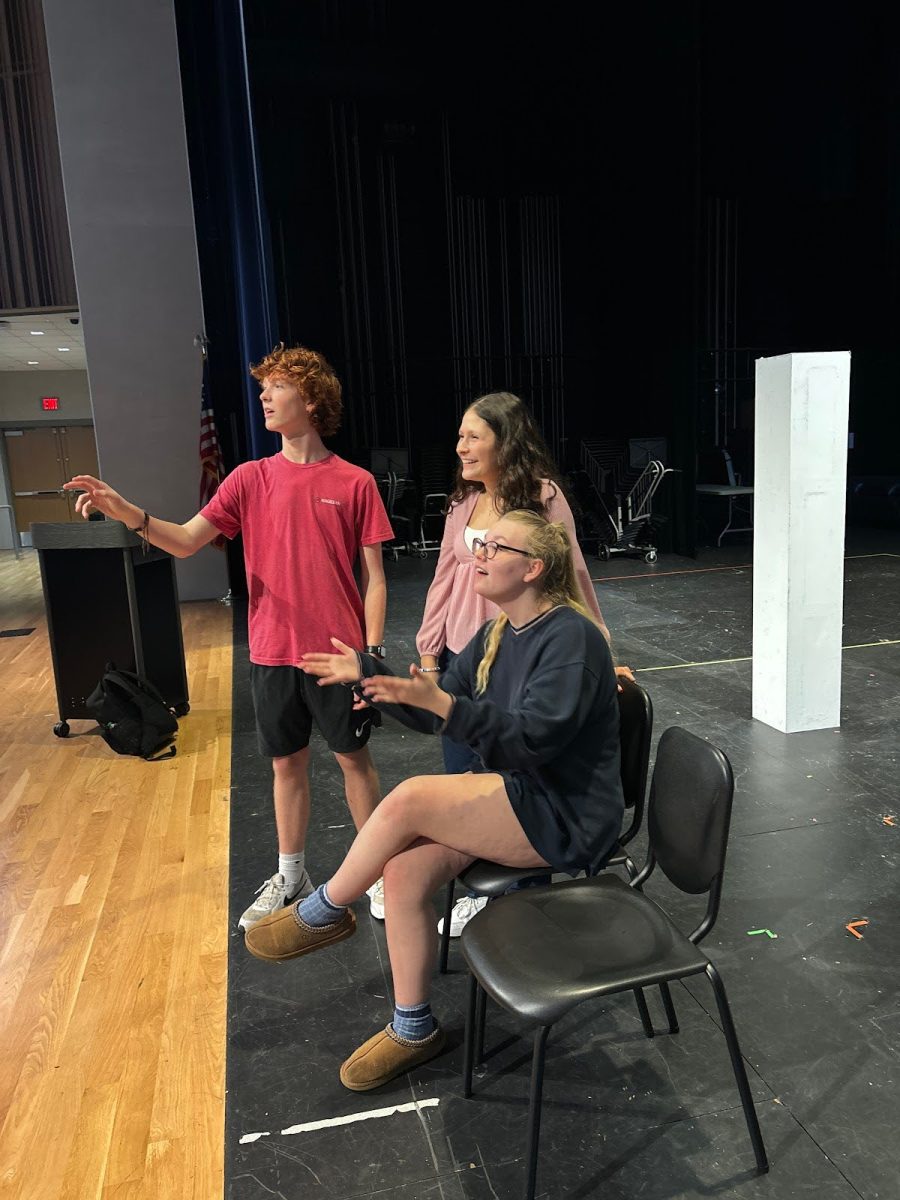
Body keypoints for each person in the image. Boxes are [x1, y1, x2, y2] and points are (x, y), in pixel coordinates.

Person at [244, 510, 624, 1093]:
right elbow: (437, 708)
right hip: (520, 794)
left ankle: (324, 910)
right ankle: (413, 1027)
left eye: (497, 547)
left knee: (413, 795)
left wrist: (445, 706)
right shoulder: (498, 632)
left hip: (564, 813)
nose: (482, 553)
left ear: (535, 568)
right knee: (403, 872)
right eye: (483, 543)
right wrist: (369, 678)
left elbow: (529, 740)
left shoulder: (571, 638)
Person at [64, 344, 394, 928]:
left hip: (338, 656)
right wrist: (128, 512)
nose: (263, 396)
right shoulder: (248, 479)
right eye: (262, 387)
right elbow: (187, 539)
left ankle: (375, 875)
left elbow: (373, 577)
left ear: (311, 399)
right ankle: (292, 875)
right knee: (285, 766)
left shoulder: (355, 482)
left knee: (353, 761)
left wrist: (370, 656)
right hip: (272, 652)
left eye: (276, 387)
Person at [415, 391, 632, 936]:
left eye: (472, 436)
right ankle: (481, 880)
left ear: (503, 442)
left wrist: (600, 650)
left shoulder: (542, 497)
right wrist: (428, 653)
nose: (460, 446)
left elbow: (574, 573)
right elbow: (444, 577)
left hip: (524, 656)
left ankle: (521, 907)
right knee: (465, 779)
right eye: (460, 436)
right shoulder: (462, 503)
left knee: (522, 779)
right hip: (470, 656)